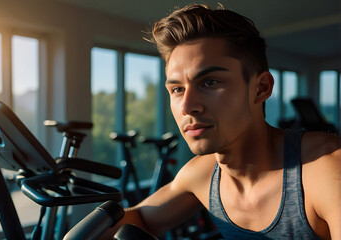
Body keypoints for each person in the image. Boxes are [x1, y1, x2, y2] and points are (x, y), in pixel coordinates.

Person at [101, 3, 341, 240]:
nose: (186, 106)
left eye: (209, 83)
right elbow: (141, 218)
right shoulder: (202, 173)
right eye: (176, 89)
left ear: (261, 88)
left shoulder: (325, 169)